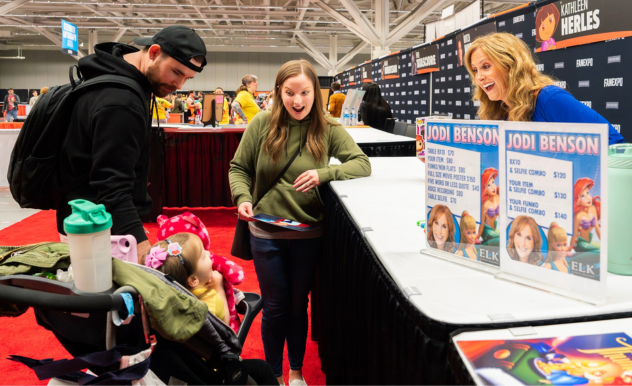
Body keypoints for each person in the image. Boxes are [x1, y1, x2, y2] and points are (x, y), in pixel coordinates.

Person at [229, 59, 371, 386]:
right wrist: (243, 198)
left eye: (305, 92)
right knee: (276, 305)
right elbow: (239, 168)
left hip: (309, 233)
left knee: (297, 304)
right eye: (290, 92)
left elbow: (361, 164)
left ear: (314, 94)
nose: (297, 100)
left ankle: (295, 371)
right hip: (265, 231)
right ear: (279, 92)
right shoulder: (262, 123)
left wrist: (325, 173)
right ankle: (274, 375)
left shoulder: (328, 128)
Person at [56, 25, 207, 262]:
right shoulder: (121, 101)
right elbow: (111, 184)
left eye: (187, 78)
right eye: (176, 72)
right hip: (98, 227)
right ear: (154, 52)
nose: (179, 84)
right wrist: (138, 242)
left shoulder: (113, 77)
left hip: (97, 221)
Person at [465, 32, 624, 145]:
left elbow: (613, 142)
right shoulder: (499, 109)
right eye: (475, 70)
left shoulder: (548, 98)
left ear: (510, 65)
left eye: (486, 66)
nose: (479, 77)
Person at [145, 233, 230, 325]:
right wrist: (219, 287)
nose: (208, 253)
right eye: (203, 256)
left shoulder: (156, 300)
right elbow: (225, 326)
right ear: (193, 280)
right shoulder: (211, 299)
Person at [570, 177, 601, 252]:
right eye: (583, 196)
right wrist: (568, 251)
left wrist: (604, 243)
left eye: (588, 193)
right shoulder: (578, 216)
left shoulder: (592, 208)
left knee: (601, 248)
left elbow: (597, 228)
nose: (588, 198)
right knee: (598, 251)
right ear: (578, 201)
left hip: (588, 242)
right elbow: (574, 235)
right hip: (580, 244)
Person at [477, 167, 500, 245]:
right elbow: (482, 224)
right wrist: (476, 238)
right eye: (489, 186)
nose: (493, 187)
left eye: (493, 182)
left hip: (495, 229)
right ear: (484, 189)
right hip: (487, 231)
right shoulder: (485, 204)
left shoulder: (497, 198)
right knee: (500, 239)